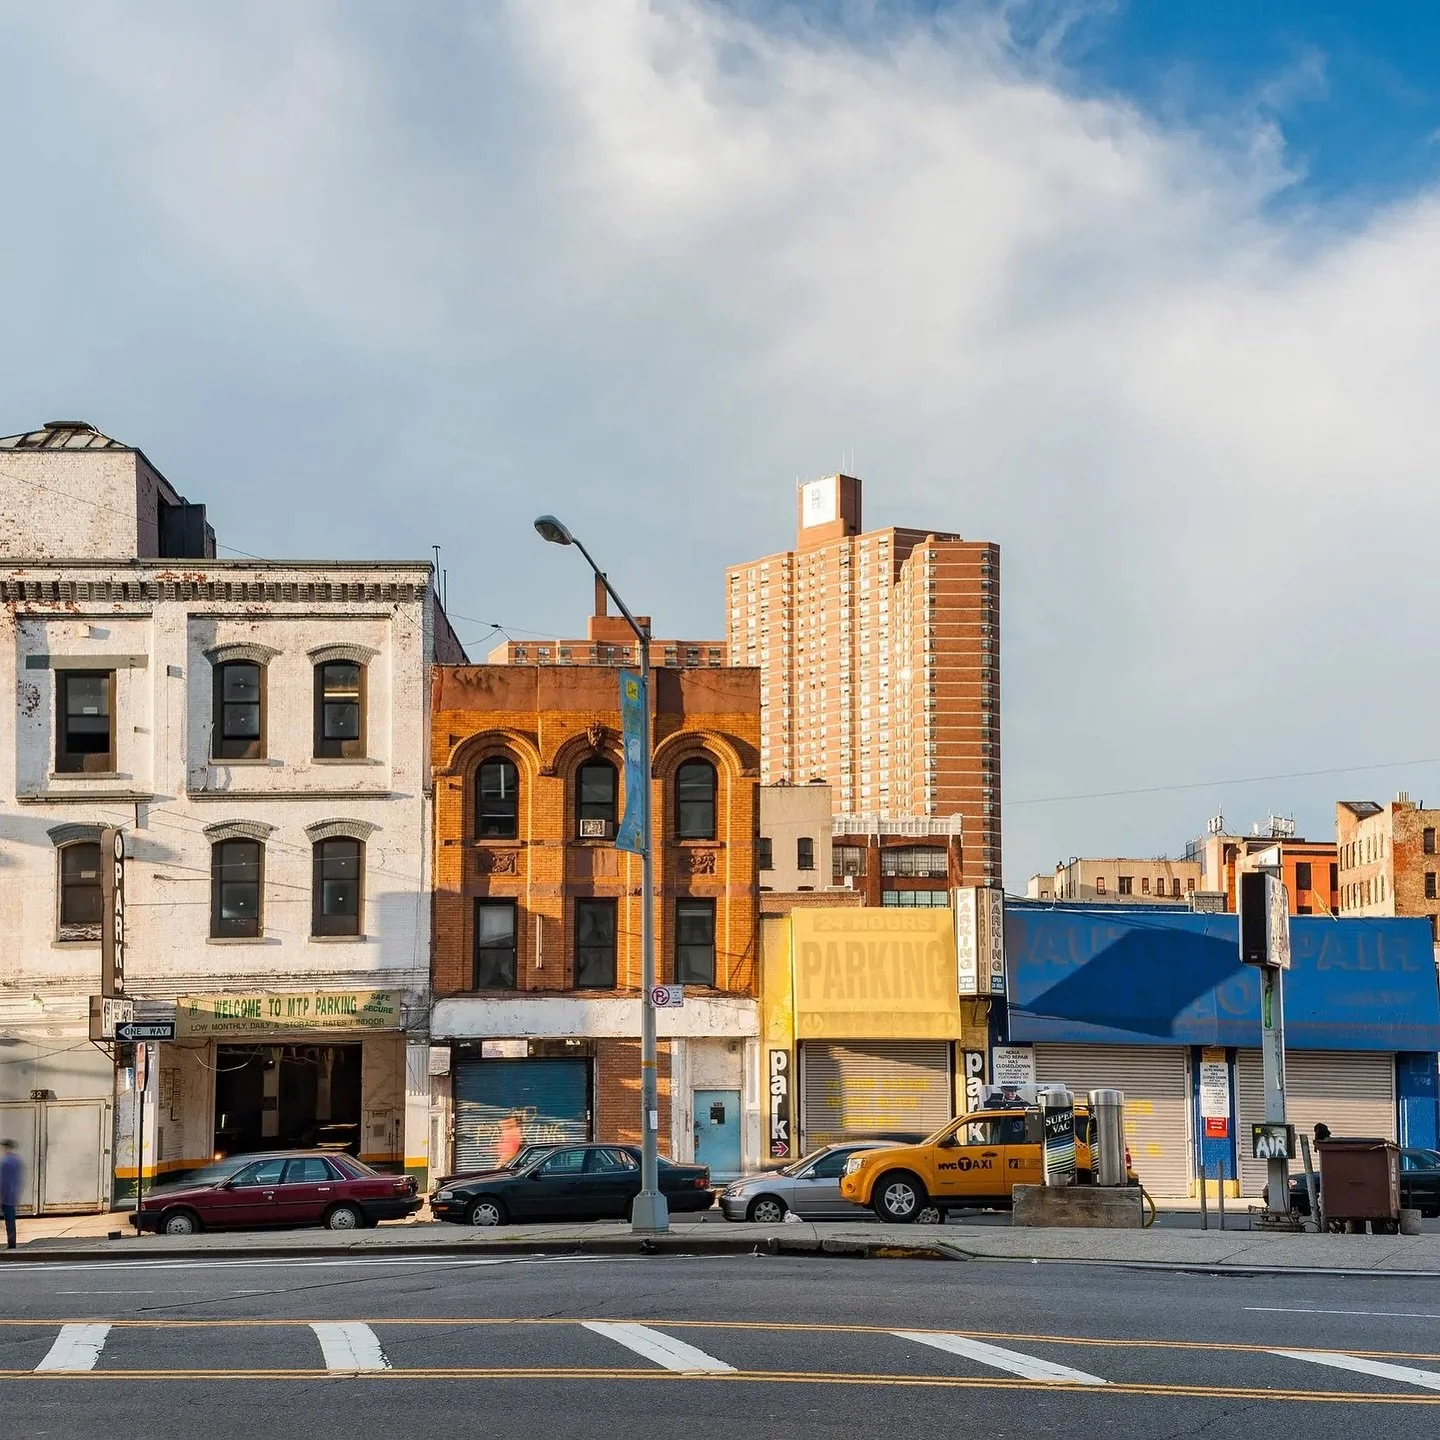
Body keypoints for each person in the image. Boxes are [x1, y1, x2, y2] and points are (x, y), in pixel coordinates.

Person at [0, 1139, 21, 1250]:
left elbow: (3, 1181)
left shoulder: (5, 1162)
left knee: (9, 1220)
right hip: (12, 1195)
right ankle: (12, 1242)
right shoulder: (16, 1161)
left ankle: (11, 1244)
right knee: (11, 1221)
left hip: (5, 1196)